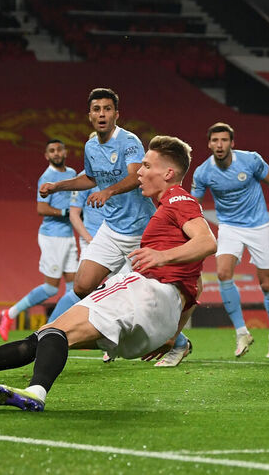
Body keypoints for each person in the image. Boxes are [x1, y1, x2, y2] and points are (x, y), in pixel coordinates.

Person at [0, 135, 216, 411]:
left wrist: (162, 256)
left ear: (168, 173)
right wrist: (172, 333)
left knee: (55, 331)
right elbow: (196, 285)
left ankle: (36, 392)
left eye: (147, 166)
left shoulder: (178, 199)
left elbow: (208, 242)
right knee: (46, 337)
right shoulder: (166, 211)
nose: (139, 172)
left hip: (147, 293)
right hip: (162, 318)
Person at [39, 89, 189, 366]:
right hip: (111, 229)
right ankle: (56, 335)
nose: (102, 114)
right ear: (90, 115)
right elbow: (90, 178)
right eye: (96, 109)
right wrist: (57, 186)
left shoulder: (129, 142)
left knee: (147, 299)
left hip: (141, 231)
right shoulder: (90, 147)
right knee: (83, 286)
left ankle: (179, 342)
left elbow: (135, 176)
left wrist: (108, 192)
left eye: (107, 109)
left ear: (116, 114)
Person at [191, 122, 269, 358]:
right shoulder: (203, 172)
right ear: (209, 144)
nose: (220, 145)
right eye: (215, 140)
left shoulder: (250, 160)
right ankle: (242, 332)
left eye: (224, 140)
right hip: (229, 227)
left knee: (267, 284)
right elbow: (193, 205)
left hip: (259, 226)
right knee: (222, 273)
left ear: (232, 143)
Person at [0, 140, 78, 340]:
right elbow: (41, 208)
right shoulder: (46, 177)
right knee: (51, 288)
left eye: (59, 149)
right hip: (52, 236)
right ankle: (10, 314)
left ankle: (62, 330)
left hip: (69, 235)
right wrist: (66, 212)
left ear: (65, 152)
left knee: (74, 288)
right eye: (52, 151)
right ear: (46, 156)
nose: (56, 153)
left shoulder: (72, 173)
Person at [54, 180, 104, 320]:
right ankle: (50, 328)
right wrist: (89, 239)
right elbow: (74, 214)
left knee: (126, 286)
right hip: (92, 241)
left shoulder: (122, 175)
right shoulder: (84, 179)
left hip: (119, 238)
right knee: (82, 288)